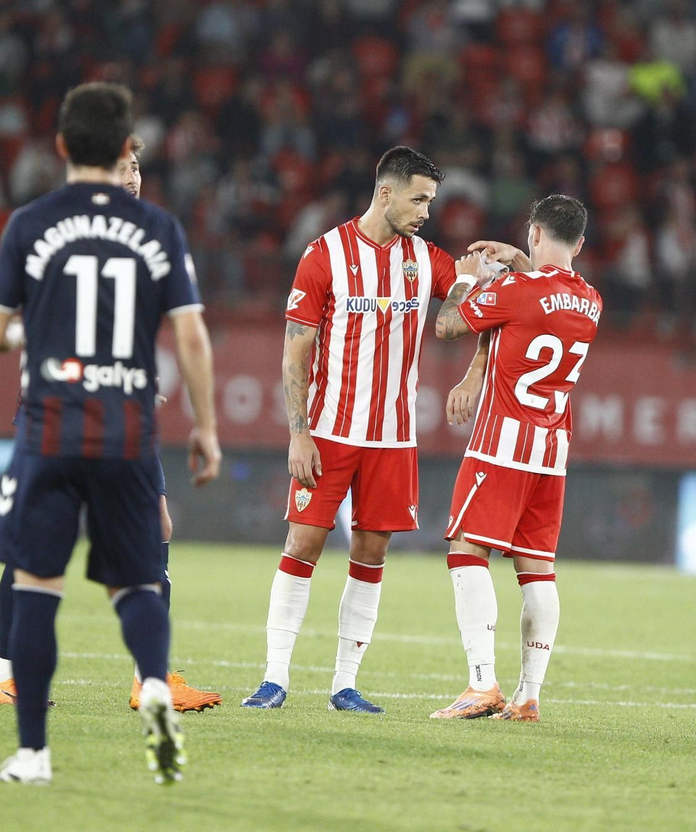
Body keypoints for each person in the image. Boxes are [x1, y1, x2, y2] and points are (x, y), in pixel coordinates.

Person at [0, 83, 221, 786]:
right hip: (126, 430)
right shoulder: (159, 231)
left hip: (50, 426)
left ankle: (33, 754)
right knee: (139, 579)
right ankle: (151, 687)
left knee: (35, 582)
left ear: (59, 146)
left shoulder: (29, 223)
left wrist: (43, 333)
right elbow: (192, 336)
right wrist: (204, 426)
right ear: (122, 150)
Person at [240, 146, 456, 714]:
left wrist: (503, 263)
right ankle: (274, 678)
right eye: (419, 199)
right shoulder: (324, 255)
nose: (426, 211)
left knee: (371, 551)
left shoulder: (427, 260)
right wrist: (299, 432)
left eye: (430, 201)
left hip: (394, 436)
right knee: (303, 541)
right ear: (385, 192)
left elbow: (469, 307)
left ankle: (344, 683)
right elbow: (295, 353)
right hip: (331, 431)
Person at [429, 195, 602, 722]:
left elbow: (448, 324)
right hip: (552, 452)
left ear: (533, 233)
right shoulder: (592, 301)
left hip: (502, 443)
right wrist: (522, 264)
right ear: (580, 243)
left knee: (466, 550)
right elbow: (540, 299)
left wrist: (464, 277)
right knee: (537, 570)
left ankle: (482, 684)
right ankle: (529, 696)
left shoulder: (513, 290)